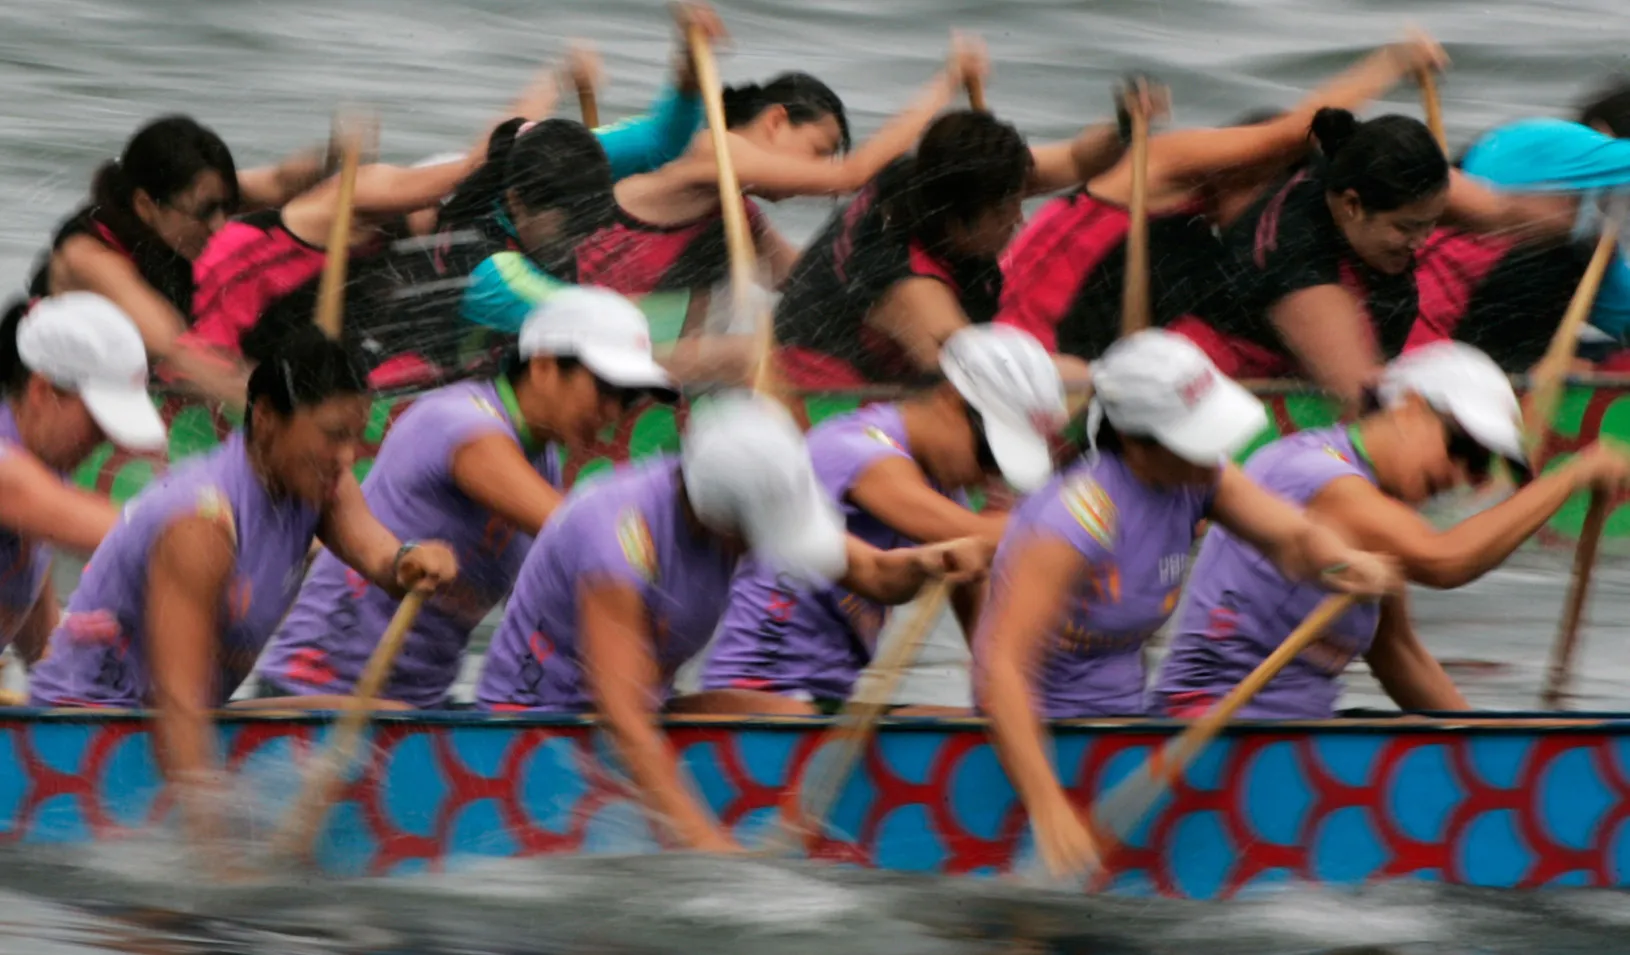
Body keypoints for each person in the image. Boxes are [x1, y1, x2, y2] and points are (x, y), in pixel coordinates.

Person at [473, 391, 990, 852]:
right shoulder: (621, 537)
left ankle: (846, 832)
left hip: (634, 713)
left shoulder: (746, 493)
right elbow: (624, 719)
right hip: (536, 730)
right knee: (740, 737)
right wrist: (710, 852)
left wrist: (927, 562)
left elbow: (876, 575)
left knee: (789, 715)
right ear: (724, 523)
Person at [973, 329, 1400, 878]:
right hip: (1040, 745)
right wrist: (1048, 805)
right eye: (1197, 439)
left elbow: (1294, 539)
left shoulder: (1199, 478)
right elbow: (1000, 669)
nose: (1217, 453)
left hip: (1124, 733)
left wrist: (1343, 561)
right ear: (1136, 440)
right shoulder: (1075, 520)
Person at [27, 327, 459, 835]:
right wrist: (217, 864)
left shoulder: (320, 485)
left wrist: (414, 559)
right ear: (268, 419)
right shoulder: (201, 524)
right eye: (332, 434)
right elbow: (180, 706)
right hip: (86, 731)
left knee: (392, 722)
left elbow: (380, 555)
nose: (348, 457)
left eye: (355, 437)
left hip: (184, 716)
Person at [1150, 341, 1630, 724]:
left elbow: (1398, 655)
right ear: (1410, 408)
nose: (1462, 475)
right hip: (1211, 725)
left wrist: (1489, 749)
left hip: (1293, 734)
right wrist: (1571, 476)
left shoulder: (1376, 507)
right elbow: (1446, 562)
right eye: (1461, 447)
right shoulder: (1313, 472)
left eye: (1482, 466)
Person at [252, 288, 677, 709]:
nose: (613, 412)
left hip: (420, 709)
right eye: (605, 389)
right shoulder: (461, 423)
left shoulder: (541, 459)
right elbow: (585, 534)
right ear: (545, 365)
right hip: (313, 693)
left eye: (627, 398)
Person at [996, 35, 1449, 362]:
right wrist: (1392, 62)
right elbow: (1293, 132)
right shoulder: (1163, 165)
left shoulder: (1202, 222)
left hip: (1070, 343)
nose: (1264, 216)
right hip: (1033, 348)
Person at [698, 325, 1066, 715]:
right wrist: (1091, 520)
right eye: (991, 458)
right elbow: (979, 534)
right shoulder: (857, 447)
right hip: (760, 688)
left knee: (956, 721)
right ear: (951, 402)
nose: (988, 478)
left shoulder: (945, 487)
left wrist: (1001, 697)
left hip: (831, 695)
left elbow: (983, 614)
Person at [1170, 109, 1576, 411]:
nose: (1420, 242)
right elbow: (1368, 400)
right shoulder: (1299, 269)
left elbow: (1501, 213)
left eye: (1430, 224)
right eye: (1406, 229)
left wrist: (1582, 219)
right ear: (1352, 205)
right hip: (1214, 393)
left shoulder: (1372, 167)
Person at [772, 91, 1137, 388]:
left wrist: (1125, 127)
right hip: (818, 387)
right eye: (1004, 213)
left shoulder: (932, 175)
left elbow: (1076, 160)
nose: (1019, 218)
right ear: (961, 222)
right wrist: (1107, 379)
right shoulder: (914, 292)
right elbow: (982, 378)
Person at [25, 115, 333, 398]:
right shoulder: (91, 259)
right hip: (65, 393)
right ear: (146, 205)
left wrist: (332, 159)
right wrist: (288, 416)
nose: (221, 225)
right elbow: (180, 353)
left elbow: (281, 183)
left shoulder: (188, 199)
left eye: (226, 207)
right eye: (206, 212)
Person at [0, 294, 169, 666]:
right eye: (97, 423)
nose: (106, 441)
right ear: (42, 391)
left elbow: (44, 654)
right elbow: (139, 532)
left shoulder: (43, 479)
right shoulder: (8, 473)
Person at [1447, 76, 1630, 364]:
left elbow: (1619, 306)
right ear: (1603, 132)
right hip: (1469, 300)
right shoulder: (1570, 143)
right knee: (1565, 251)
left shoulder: (1590, 212)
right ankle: (1518, 365)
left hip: (1479, 303)